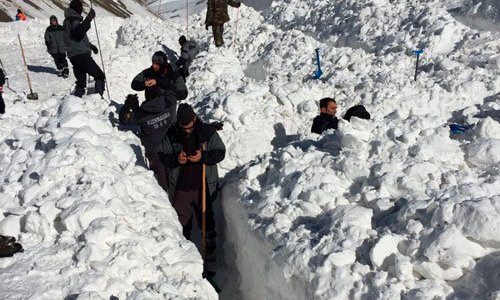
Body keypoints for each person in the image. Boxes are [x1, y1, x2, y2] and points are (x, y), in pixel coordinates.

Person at [158, 104, 226, 278]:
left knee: (207, 225)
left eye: (189, 127)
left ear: (194, 119)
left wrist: (203, 157)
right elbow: (162, 154)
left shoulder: (206, 133)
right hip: (182, 188)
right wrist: (176, 159)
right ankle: (184, 262)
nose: (187, 131)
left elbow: (220, 152)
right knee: (180, 226)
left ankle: (209, 265)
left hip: (203, 187)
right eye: (184, 128)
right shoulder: (172, 133)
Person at [119, 92, 176, 192]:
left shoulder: (141, 115)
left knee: (162, 188)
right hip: (174, 151)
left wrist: (129, 105)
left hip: (155, 155)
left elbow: (124, 119)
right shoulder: (170, 106)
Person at [63, 0, 105, 98]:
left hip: (73, 55)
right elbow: (79, 32)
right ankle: (98, 99)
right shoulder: (74, 20)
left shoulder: (68, 20)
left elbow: (74, 38)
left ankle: (77, 100)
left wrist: (90, 45)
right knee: (99, 75)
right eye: (80, 8)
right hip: (81, 55)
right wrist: (89, 18)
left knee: (81, 81)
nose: (81, 10)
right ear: (77, 9)